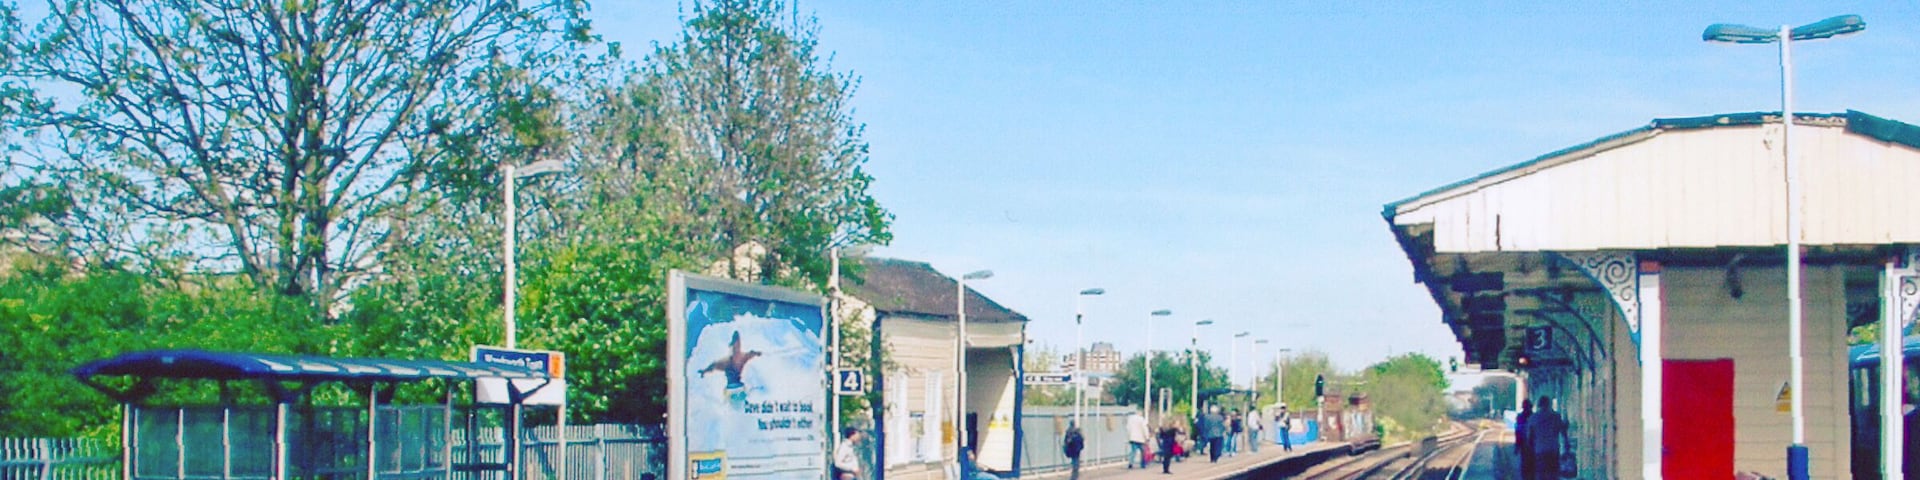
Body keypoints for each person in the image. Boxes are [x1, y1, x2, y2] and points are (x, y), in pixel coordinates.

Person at [1525, 396, 1569, 480]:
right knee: (1553, 474)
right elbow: (1563, 432)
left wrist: (1530, 450)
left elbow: (1529, 437)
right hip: (1553, 449)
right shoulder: (1556, 416)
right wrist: (1567, 446)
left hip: (1540, 450)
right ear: (1549, 404)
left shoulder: (1533, 418)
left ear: (1538, 404)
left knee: (1541, 474)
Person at [1515, 398, 1533, 480]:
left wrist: (1517, 446)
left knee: (1525, 463)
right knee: (1531, 464)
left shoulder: (1520, 417)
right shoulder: (1534, 416)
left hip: (1524, 443)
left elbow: (1518, 431)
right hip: (1531, 443)